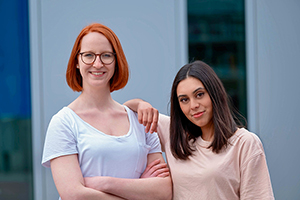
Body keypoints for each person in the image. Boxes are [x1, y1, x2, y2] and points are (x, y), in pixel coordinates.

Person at [41, 23, 172, 200]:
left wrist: (105, 183)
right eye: (88, 55)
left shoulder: (140, 120)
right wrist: (139, 189)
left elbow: (163, 191)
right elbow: (74, 195)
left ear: (116, 62)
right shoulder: (63, 122)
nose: (97, 63)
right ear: (77, 63)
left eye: (106, 55)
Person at [125, 60, 274, 200]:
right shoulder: (176, 135)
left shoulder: (245, 143)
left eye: (199, 95)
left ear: (214, 94)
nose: (193, 105)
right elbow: (123, 113)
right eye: (184, 100)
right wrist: (140, 104)